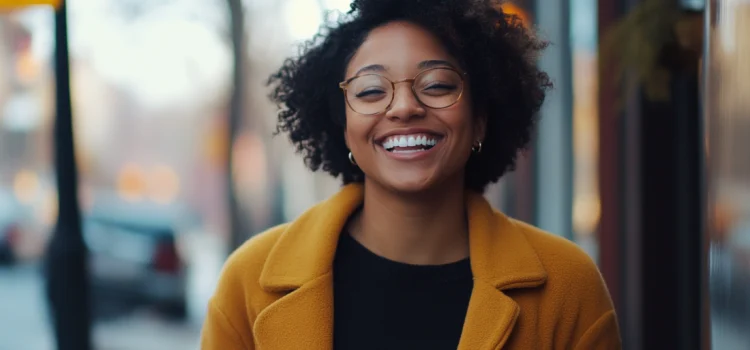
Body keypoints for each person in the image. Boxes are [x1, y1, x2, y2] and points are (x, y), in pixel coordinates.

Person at [201, 0, 621, 349]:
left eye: (437, 85)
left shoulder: (570, 287)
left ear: (479, 120)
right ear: (342, 125)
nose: (403, 107)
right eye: (370, 91)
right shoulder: (249, 282)